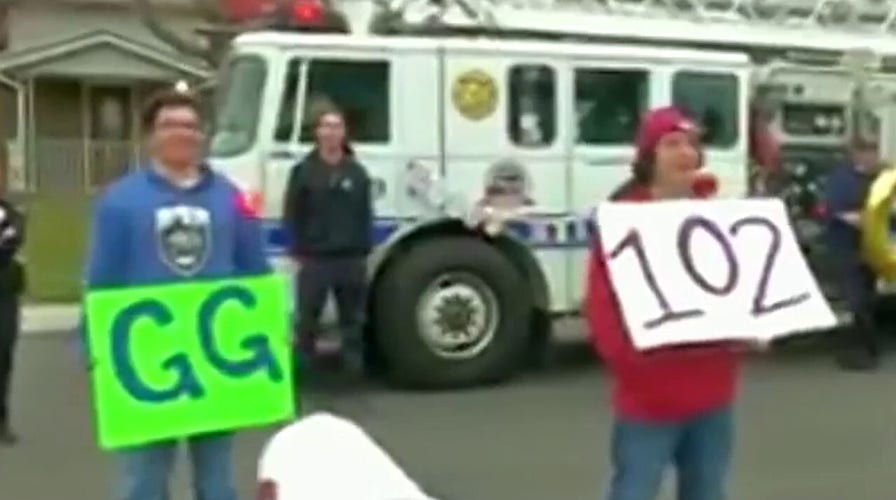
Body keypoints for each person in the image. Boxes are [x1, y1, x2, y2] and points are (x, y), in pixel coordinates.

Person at [82, 88, 270, 500]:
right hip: (147, 357)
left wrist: (271, 332)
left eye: (190, 126)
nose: (181, 134)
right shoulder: (120, 201)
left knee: (217, 480)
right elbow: (102, 278)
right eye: (169, 125)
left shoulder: (230, 198)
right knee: (143, 481)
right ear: (151, 136)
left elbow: (255, 268)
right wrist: (94, 347)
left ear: (202, 136)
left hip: (213, 361)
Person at [587, 106, 742, 500]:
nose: (685, 153)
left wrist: (750, 332)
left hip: (712, 396)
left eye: (691, 144)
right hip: (649, 400)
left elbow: (736, 293)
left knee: (707, 492)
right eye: (672, 143)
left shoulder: (717, 219)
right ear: (648, 156)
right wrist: (634, 367)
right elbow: (603, 311)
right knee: (634, 492)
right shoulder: (623, 222)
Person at [282, 105, 373, 377]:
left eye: (337, 127)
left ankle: (353, 370)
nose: (331, 132)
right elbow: (292, 211)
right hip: (315, 258)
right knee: (308, 319)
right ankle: (302, 370)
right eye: (326, 126)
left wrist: (363, 249)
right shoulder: (303, 171)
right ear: (318, 133)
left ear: (344, 133)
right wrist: (297, 247)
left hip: (350, 258)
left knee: (353, 320)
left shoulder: (357, 172)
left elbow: (365, 212)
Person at [823, 136, 883, 371]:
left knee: (867, 298)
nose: (871, 156)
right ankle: (866, 350)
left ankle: (867, 352)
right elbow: (840, 212)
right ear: (855, 154)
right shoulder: (842, 179)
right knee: (857, 298)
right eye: (866, 151)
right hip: (847, 245)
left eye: (873, 151)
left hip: (873, 247)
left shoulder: (882, 176)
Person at [0, 190, 25, 445]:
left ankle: (1, 420)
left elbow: (11, 242)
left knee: (3, 357)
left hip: (4, 295)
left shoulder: (10, 214)